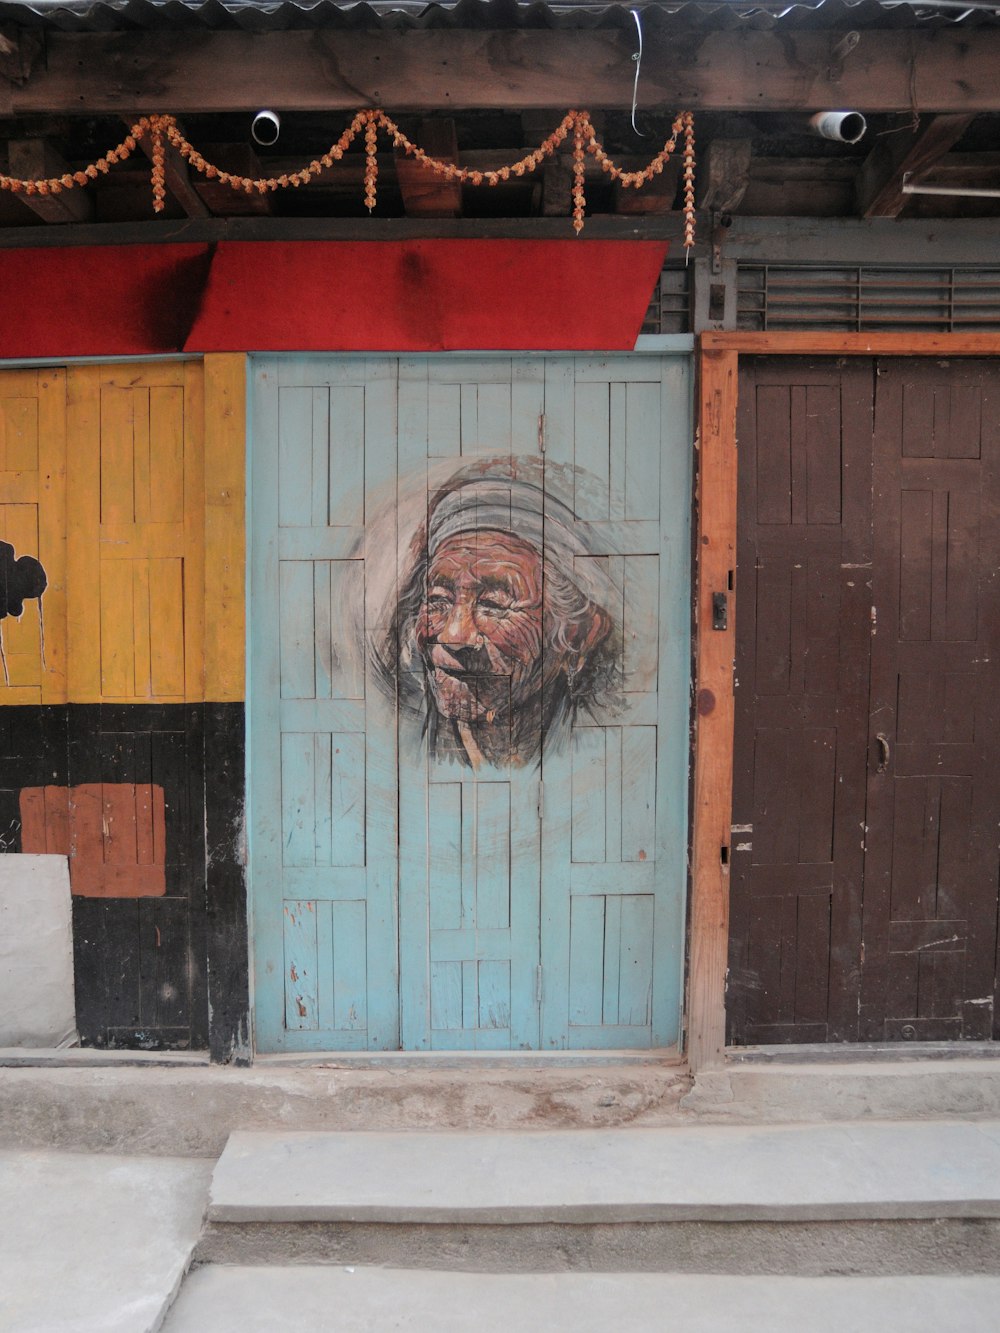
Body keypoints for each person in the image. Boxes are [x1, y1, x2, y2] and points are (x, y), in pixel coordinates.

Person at [372, 461, 621, 769]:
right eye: (438, 600)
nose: (454, 635)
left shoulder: (604, 755)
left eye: (494, 604)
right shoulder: (394, 755)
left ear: (579, 634)